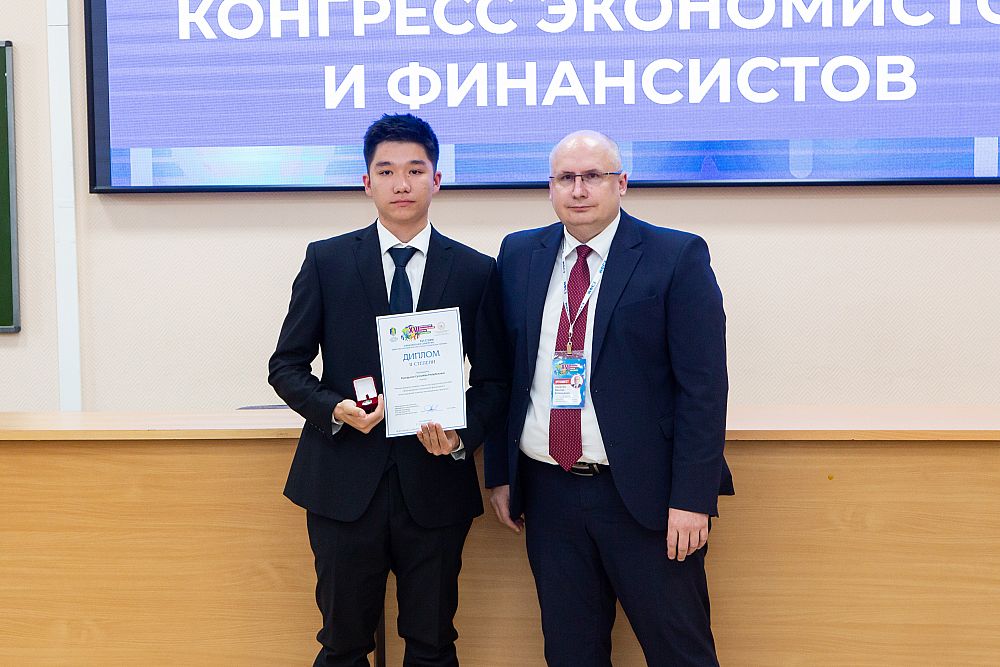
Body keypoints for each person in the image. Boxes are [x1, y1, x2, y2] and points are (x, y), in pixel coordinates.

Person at [484, 130, 734, 666]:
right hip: (548, 493)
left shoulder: (675, 255)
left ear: (621, 183)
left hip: (646, 498)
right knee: (571, 653)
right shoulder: (519, 254)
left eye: (593, 176)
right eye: (566, 178)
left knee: (680, 652)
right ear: (550, 188)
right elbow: (504, 372)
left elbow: (704, 389)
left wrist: (692, 499)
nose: (579, 190)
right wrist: (501, 473)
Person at [269, 113, 507, 667]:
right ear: (367, 182)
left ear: (436, 180)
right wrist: (335, 409)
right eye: (387, 171)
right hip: (343, 487)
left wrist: (460, 436)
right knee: (342, 645)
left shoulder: (475, 271)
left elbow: (495, 380)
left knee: (432, 645)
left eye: (415, 170)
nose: (402, 183)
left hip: (435, 484)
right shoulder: (327, 261)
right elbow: (286, 365)